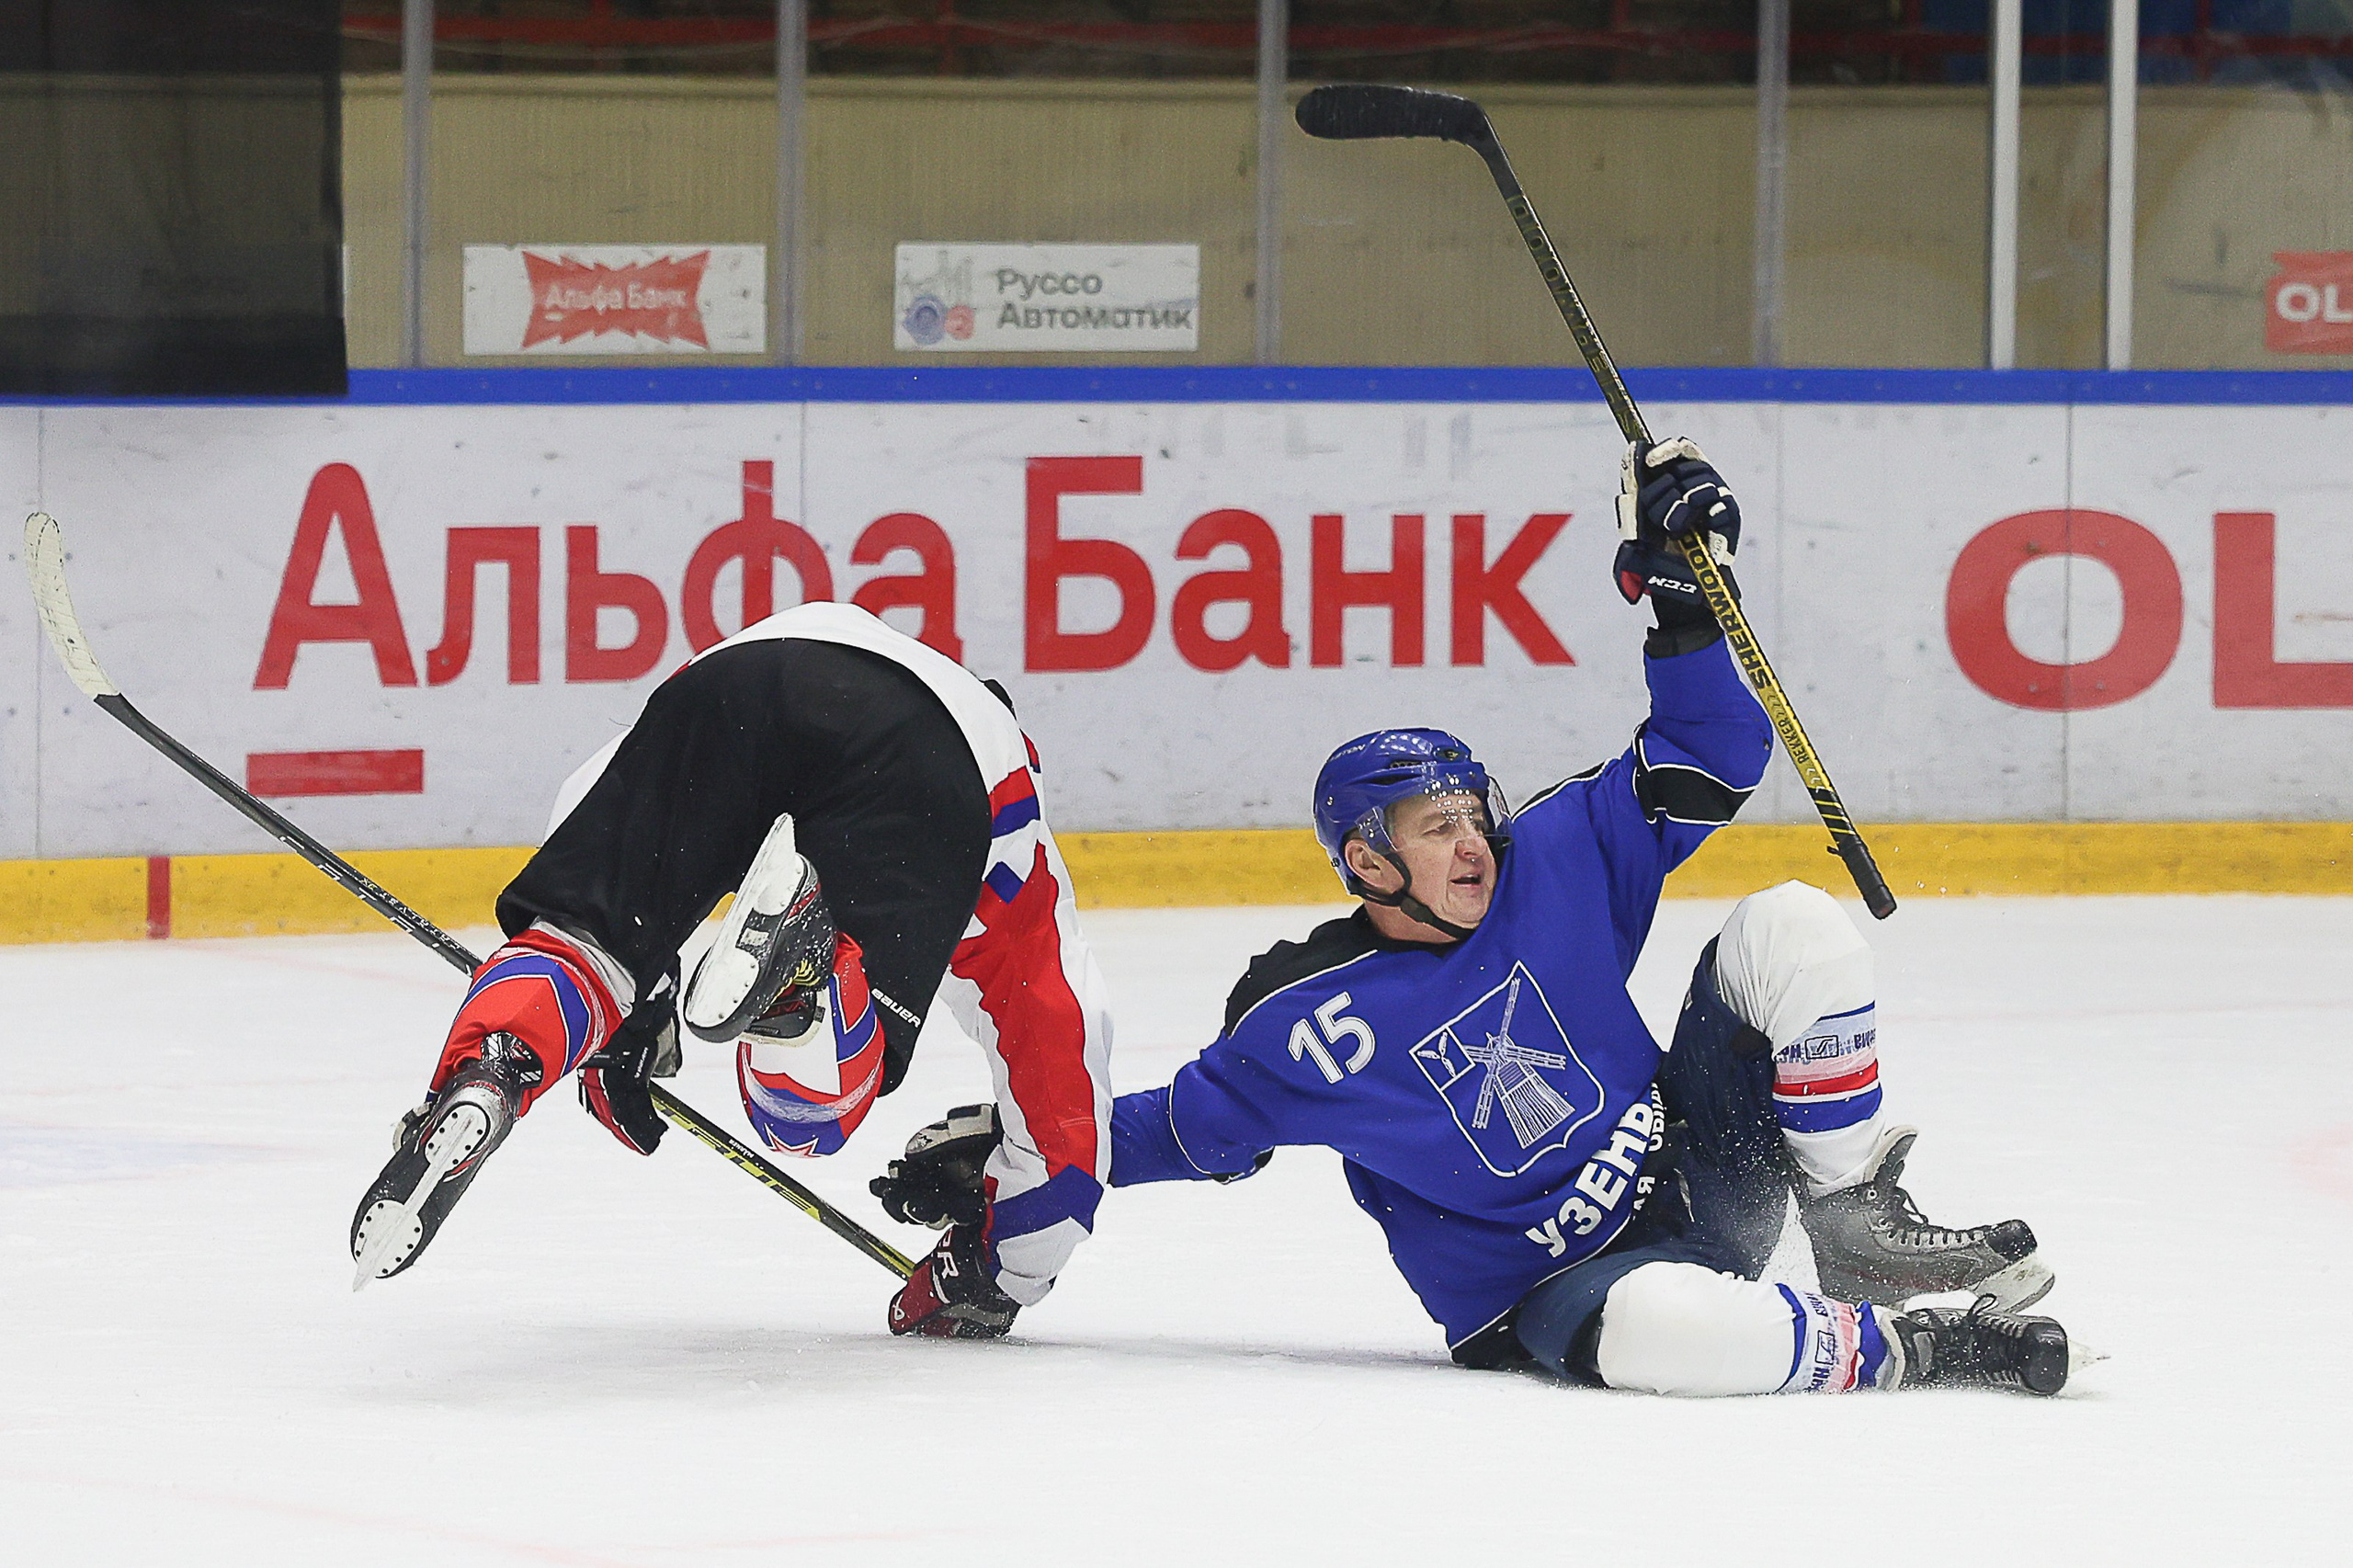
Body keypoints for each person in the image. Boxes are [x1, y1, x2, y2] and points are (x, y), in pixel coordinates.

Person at [878, 438, 2077, 1395]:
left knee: (1792, 925)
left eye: (1474, 811)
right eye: (1434, 824)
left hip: (1702, 1184)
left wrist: (1681, 604)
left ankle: (1853, 1216)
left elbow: (1713, 751)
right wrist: (1008, 1151)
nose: (1472, 840)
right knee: (1663, 1326)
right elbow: (1152, 1134)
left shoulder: (1552, 855)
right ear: (1364, 859)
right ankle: (1919, 1352)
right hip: (1550, 1296)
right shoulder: (1308, 1027)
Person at [350, 601, 1114, 1341]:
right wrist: (995, 1270)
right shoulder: (1013, 828)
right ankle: (806, 994)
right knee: (801, 1122)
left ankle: (494, 1067)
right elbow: (1065, 1092)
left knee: (585, 944)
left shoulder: (810, 641)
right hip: (922, 759)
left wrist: (630, 1014)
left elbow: (590, 805)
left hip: (740, 678)